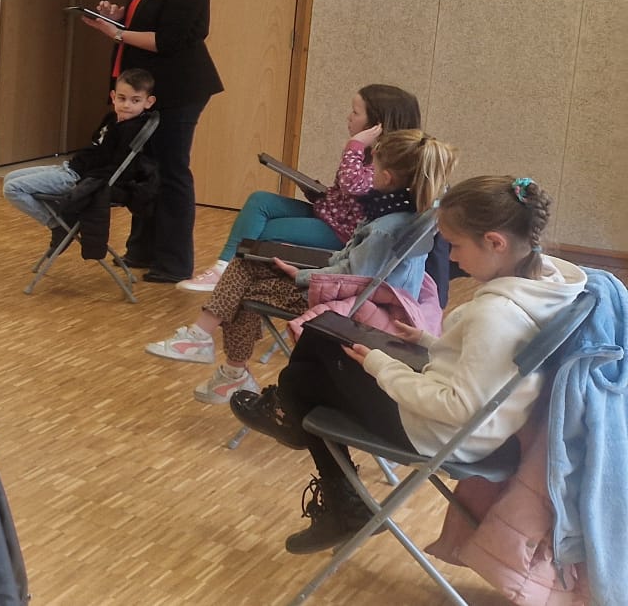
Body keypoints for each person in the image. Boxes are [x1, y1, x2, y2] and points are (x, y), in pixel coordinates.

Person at [230, 176, 584, 554]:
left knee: (313, 358)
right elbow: (488, 365)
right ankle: (303, 437)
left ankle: (300, 434)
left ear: (495, 242)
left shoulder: (497, 315)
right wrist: (431, 343)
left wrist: (384, 367)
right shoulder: (545, 286)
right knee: (322, 351)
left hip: (442, 434)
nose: (451, 258)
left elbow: (457, 406)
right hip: (478, 428)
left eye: (456, 245)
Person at [145, 130, 456, 404]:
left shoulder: (384, 229)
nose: (369, 173)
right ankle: (218, 359)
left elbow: (354, 280)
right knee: (246, 266)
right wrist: (311, 270)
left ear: (387, 177)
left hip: (354, 307)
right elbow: (353, 268)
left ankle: (222, 361)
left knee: (243, 284)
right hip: (357, 294)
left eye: (372, 168)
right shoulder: (408, 212)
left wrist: (305, 274)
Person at [81, 0, 223, 283]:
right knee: (144, 168)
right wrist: (118, 18)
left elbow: (168, 40)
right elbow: (145, 25)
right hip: (150, 88)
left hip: (179, 89)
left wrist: (116, 34)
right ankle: (142, 250)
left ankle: (175, 262)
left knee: (172, 171)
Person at [181, 84, 423, 292]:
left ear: (377, 125)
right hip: (329, 215)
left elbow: (353, 185)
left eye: (355, 112)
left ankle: (239, 285)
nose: (348, 117)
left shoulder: (386, 162)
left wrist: (354, 145)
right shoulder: (366, 153)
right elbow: (347, 194)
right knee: (260, 200)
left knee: (264, 232)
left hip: (341, 233)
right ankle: (222, 267)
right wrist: (316, 191)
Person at [1, 68, 158, 249]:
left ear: (148, 102)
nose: (127, 105)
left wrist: (86, 184)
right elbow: (95, 145)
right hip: (71, 167)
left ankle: (57, 224)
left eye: (135, 100)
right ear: (113, 97)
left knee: (12, 188)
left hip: (77, 177)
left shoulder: (132, 130)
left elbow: (119, 167)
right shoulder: (111, 118)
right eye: (122, 98)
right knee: (9, 177)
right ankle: (64, 217)